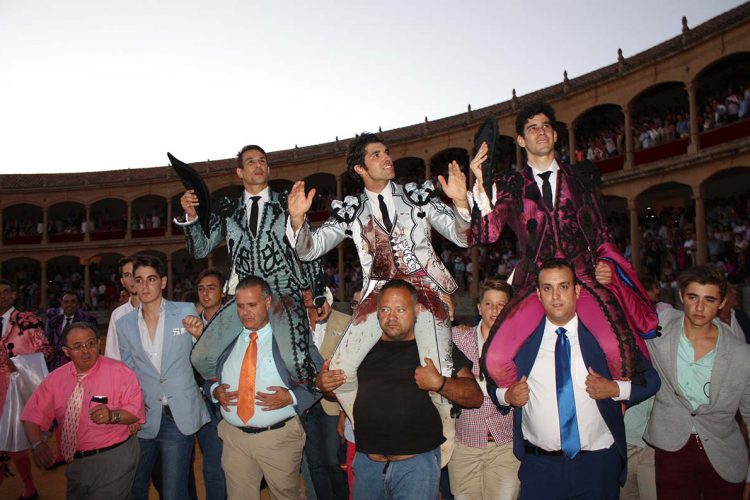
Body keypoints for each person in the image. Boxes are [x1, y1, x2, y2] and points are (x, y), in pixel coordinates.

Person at [288, 132, 472, 464]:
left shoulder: (417, 196)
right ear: (359, 168)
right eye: (376, 155)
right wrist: (298, 221)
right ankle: (369, 424)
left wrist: (460, 203)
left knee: (440, 368)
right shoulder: (351, 209)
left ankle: (444, 434)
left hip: (426, 293)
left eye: (386, 152)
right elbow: (310, 249)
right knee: (341, 369)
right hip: (379, 298)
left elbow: (460, 235)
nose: (386, 158)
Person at [468, 101, 657, 390]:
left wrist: (606, 262)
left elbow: (601, 232)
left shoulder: (582, 177)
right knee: (495, 359)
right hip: (534, 283)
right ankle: (526, 416)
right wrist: (480, 184)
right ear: (521, 140)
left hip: (582, 277)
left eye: (546, 126)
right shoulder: (509, 184)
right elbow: (487, 235)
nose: (540, 132)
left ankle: (613, 423)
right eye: (532, 128)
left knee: (618, 351)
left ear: (555, 135)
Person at [494, 259, 660, 499]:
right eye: (548, 288)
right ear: (538, 295)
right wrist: (507, 395)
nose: (556, 296)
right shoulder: (521, 340)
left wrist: (615, 389)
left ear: (577, 290)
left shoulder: (607, 336)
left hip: (597, 465)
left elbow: (652, 380)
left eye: (563, 286)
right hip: (540, 467)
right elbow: (493, 384)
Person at [177, 144, 328, 391]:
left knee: (296, 362)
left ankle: (304, 403)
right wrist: (191, 217)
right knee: (200, 357)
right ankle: (233, 389)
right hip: (245, 295)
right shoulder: (227, 208)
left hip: (282, 291)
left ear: (268, 168)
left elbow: (308, 249)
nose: (257, 165)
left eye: (261, 161)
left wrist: (318, 292)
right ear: (239, 172)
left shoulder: (286, 202)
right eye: (250, 161)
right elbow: (201, 249)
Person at [317, 280, 481, 499]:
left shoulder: (436, 346)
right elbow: (338, 393)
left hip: (417, 466)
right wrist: (325, 386)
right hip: (367, 464)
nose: (391, 317)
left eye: (400, 309)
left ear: (415, 311)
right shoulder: (359, 349)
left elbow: (475, 396)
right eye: (384, 309)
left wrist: (440, 383)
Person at [191, 276, 322, 500]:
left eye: (252, 305)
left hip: (278, 438)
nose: (245, 312)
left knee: (285, 496)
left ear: (268, 302)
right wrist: (214, 391)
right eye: (240, 306)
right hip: (234, 439)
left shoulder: (289, 335)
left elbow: (320, 378)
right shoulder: (225, 338)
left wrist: (291, 397)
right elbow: (207, 374)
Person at [644, 265, 750, 500]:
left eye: (709, 300)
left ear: (722, 303)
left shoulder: (742, 354)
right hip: (672, 449)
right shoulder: (658, 331)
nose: (700, 307)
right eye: (693, 297)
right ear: (681, 296)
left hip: (725, 454)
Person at [115, 254, 210, 500]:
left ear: (164, 282)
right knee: (135, 489)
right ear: (132, 284)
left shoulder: (186, 311)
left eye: (151, 279)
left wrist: (200, 336)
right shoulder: (123, 324)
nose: (144, 286)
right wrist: (129, 410)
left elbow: (206, 360)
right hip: (142, 416)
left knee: (174, 492)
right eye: (139, 280)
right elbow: (127, 373)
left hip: (177, 416)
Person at [21, 322, 145, 499]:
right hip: (75, 465)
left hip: (114, 457)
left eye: (91, 344)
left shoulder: (120, 373)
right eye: (78, 347)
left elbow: (136, 411)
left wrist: (112, 416)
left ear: (99, 343)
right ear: (66, 351)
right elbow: (31, 415)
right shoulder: (55, 379)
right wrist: (37, 445)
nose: (86, 351)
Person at [449, 278, 520, 500]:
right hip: (465, 445)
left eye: (501, 305)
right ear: (479, 307)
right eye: (489, 304)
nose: (494, 310)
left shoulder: (520, 344)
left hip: (505, 446)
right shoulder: (458, 338)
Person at [0, 279, 52, 500]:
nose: (0, 296)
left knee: (13, 441)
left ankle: (30, 488)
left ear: (13, 295)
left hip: (15, 388)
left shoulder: (26, 319)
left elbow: (47, 351)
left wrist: (20, 363)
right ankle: (30, 489)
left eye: (4, 292)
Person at [192, 268, 227, 500]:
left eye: (211, 288)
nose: (205, 294)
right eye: (201, 289)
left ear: (222, 291)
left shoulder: (235, 321)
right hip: (202, 404)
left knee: (223, 468)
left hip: (231, 401)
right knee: (212, 464)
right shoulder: (188, 324)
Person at [46, 290, 98, 372]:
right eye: (66, 302)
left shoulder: (88, 320)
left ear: (78, 305)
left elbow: (94, 344)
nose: (69, 305)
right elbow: (49, 343)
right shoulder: (54, 321)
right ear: (62, 304)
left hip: (80, 366)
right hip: (57, 367)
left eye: (73, 302)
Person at [104, 256, 140, 360]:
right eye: (127, 275)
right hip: (126, 374)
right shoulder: (118, 314)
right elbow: (112, 354)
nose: (132, 279)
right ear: (122, 282)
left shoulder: (161, 309)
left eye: (135, 273)